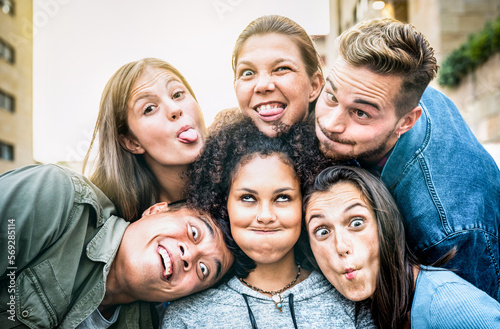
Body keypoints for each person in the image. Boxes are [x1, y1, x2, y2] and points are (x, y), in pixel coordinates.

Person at [314, 17, 500, 300]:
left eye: (360, 113)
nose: (330, 123)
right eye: (330, 95)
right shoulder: (391, 88)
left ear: (406, 121)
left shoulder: (445, 230)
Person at [161, 119, 374, 328]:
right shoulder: (186, 317)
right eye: (247, 198)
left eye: (282, 198)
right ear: (223, 204)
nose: (265, 216)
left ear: (303, 204)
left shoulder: (350, 297)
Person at [0, 164, 234, 329]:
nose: (190, 255)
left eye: (203, 270)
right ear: (155, 210)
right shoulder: (60, 196)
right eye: (194, 232)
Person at [304, 165, 500, 328]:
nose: (341, 246)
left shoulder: (450, 306)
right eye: (322, 232)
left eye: (356, 223)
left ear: (386, 224)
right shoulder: (377, 310)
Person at [83, 57, 207, 221]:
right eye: (149, 108)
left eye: (177, 94)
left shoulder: (240, 181)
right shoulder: (111, 223)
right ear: (132, 142)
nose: (174, 109)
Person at [223, 15, 323, 137]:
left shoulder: (347, 152)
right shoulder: (213, 153)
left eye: (282, 69)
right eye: (247, 73)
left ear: (314, 86)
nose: (262, 85)